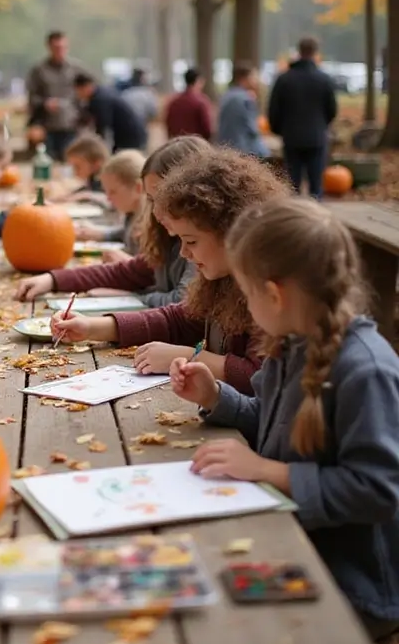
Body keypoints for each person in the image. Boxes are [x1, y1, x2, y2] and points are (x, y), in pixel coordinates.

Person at [170, 197, 399, 642]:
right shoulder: (289, 344)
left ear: (273, 293)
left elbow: (377, 490)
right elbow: (277, 425)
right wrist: (217, 397)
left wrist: (265, 471)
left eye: (246, 290)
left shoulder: (366, 370)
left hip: (351, 586)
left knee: (208, 624)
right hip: (291, 540)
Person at [51, 148, 290, 394]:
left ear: (231, 233)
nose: (184, 253)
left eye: (192, 241)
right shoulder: (221, 277)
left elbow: (257, 376)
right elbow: (179, 319)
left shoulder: (268, 292)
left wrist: (190, 356)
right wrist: (92, 327)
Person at [16, 137, 210, 309]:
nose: (156, 212)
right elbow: (124, 273)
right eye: (151, 199)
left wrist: (132, 297)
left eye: (164, 199)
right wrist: (52, 279)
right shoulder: (165, 238)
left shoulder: (201, 246)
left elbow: (182, 303)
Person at [268, 36, 337, 199]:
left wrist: (279, 129)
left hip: (291, 137)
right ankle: (317, 218)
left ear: (299, 51)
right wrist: (321, 125)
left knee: (293, 185)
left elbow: (274, 110)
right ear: (315, 52)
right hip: (316, 137)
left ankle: (294, 218)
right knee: (316, 185)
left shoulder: (284, 79)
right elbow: (332, 110)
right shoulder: (324, 79)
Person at [74, 150, 146, 256]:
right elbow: (124, 233)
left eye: (113, 192)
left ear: (138, 188)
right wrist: (101, 235)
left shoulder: (149, 228)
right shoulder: (132, 214)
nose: (108, 199)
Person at [26, 31, 84, 161]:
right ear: (49, 48)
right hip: (47, 126)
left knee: (71, 161)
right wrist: (45, 103)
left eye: (63, 47)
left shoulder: (77, 69)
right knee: (46, 161)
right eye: (56, 48)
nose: (60, 51)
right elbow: (32, 97)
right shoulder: (39, 70)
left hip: (71, 125)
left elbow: (87, 92)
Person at [73, 73, 148, 152]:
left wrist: (97, 146)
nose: (78, 95)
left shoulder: (101, 99)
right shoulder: (99, 94)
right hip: (127, 134)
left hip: (130, 136)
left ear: (85, 87)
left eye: (78, 91)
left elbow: (103, 125)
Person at [216, 64, 270, 158]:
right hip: (243, 151)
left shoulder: (226, 96)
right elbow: (252, 130)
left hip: (226, 149)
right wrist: (265, 153)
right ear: (244, 78)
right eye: (253, 77)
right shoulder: (245, 99)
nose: (256, 81)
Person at [164, 68, 213, 141]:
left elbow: (168, 124)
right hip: (196, 145)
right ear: (198, 81)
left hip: (177, 144)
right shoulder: (201, 102)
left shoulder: (174, 102)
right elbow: (207, 128)